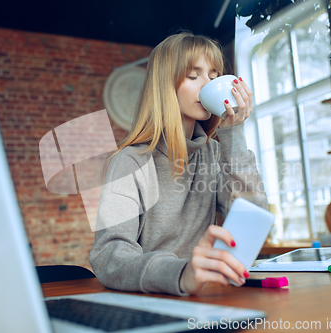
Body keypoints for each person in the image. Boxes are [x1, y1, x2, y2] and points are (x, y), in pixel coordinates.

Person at [89, 31, 268, 296]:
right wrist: (182, 274)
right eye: (193, 76)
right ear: (165, 86)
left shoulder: (216, 153)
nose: (207, 85)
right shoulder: (129, 162)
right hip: (151, 302)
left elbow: (253, 219)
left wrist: (233, 133)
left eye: (214, 76)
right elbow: (109, 256)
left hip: (207, 298)